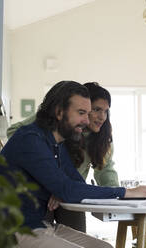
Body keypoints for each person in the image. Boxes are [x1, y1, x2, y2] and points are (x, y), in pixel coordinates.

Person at [0, 81, 146, 248]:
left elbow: (76, 185)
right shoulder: (31, 139)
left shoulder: (58, 145)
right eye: (81, 113)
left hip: (40, 225)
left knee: (104, 247)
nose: (87, 121)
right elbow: (68, 188)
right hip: (10, 230)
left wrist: (125, 193)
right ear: (59, 112)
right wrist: (127, 192)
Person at [7, 82, 119, 232]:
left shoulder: (101, 139)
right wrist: (55, 183)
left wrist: (116, 194)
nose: (102, 117)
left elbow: (105, 170)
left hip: (69, 194)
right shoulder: (59, 124)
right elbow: (15, 132)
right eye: (96, 109)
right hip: (42, 190)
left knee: (78, 236)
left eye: (106, 111)